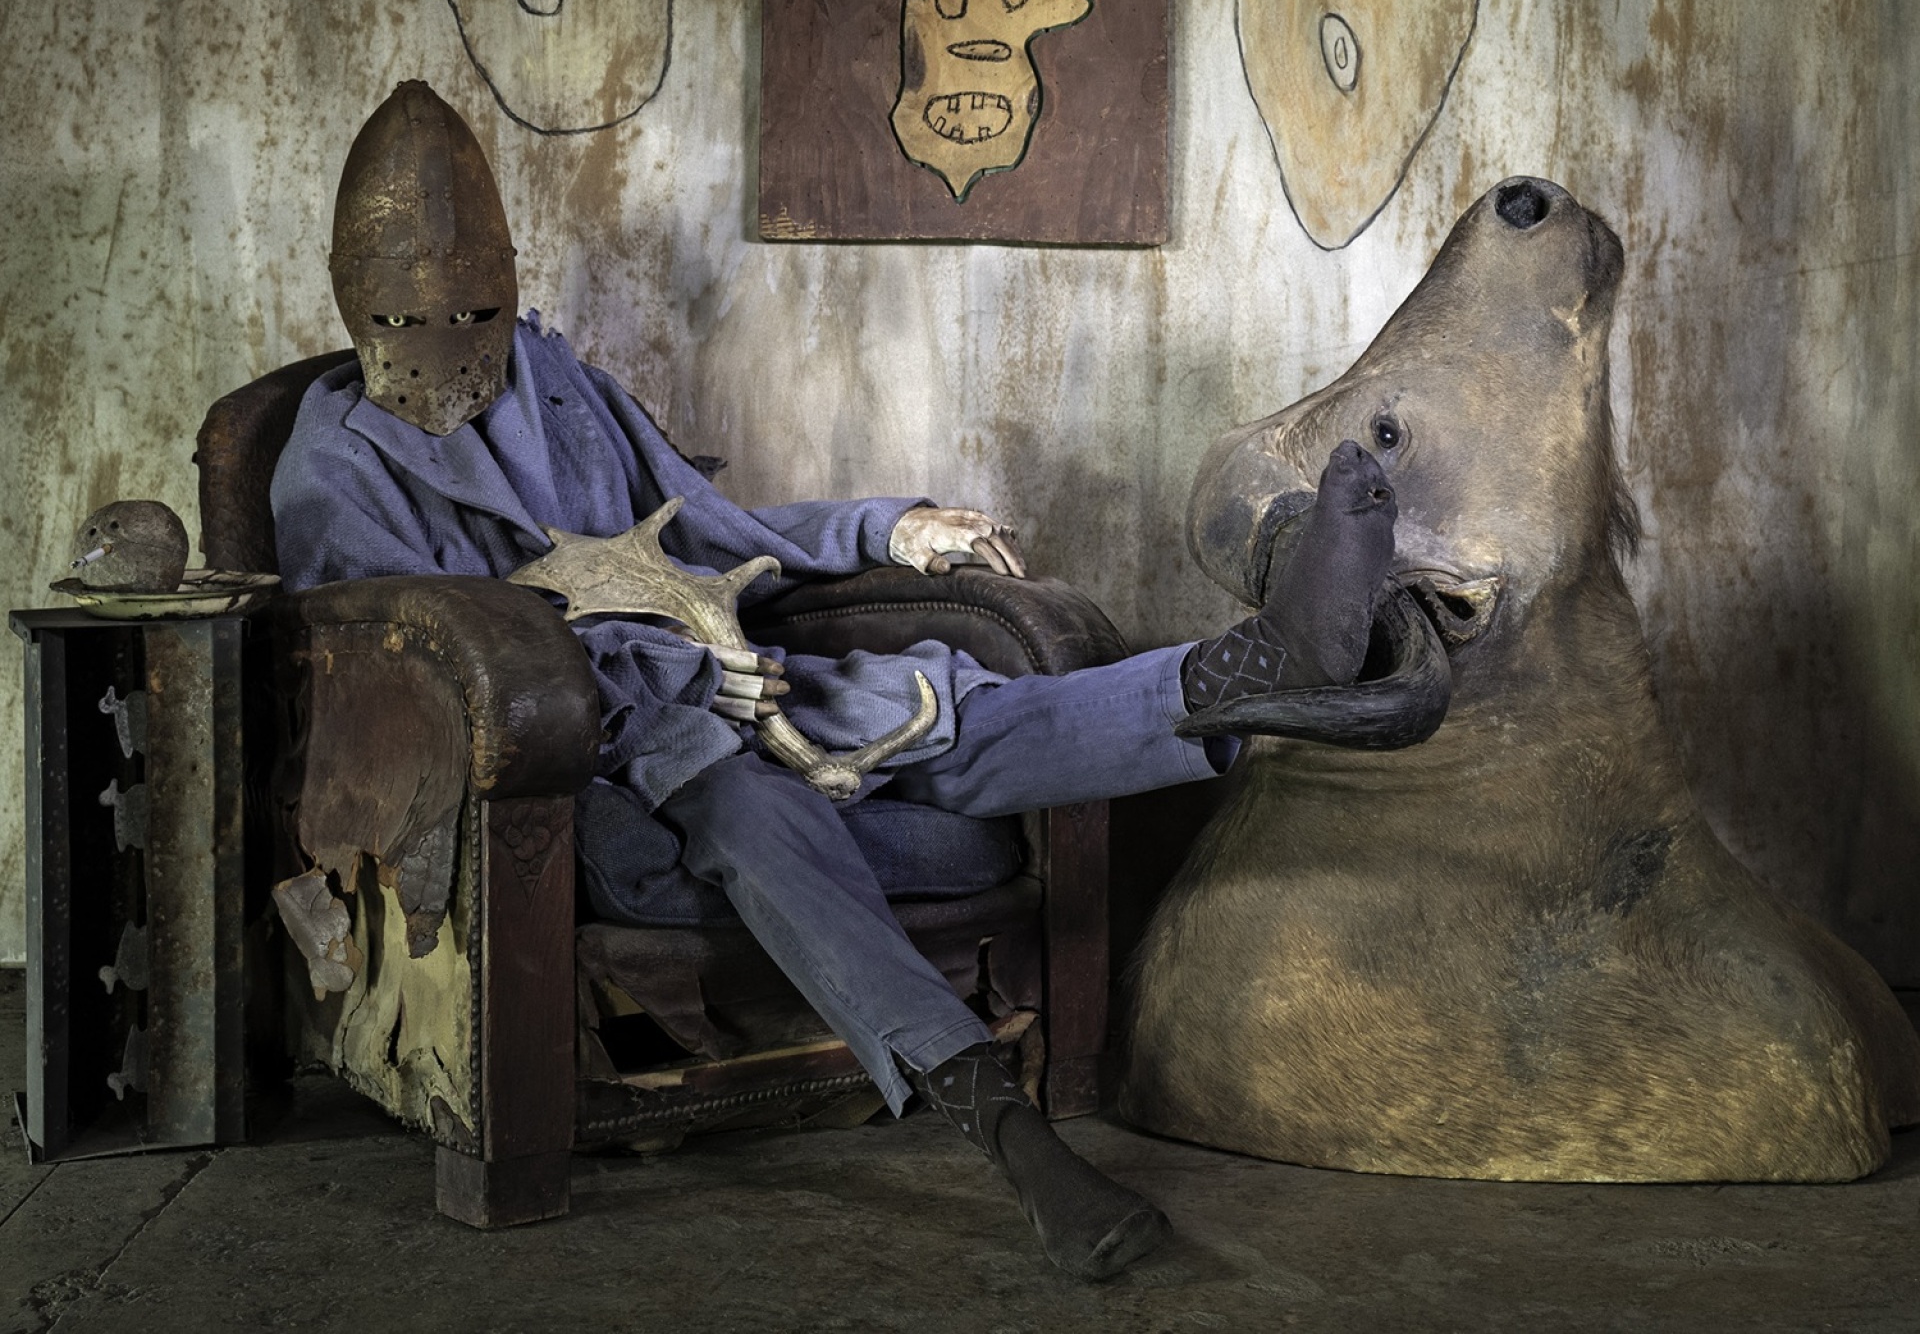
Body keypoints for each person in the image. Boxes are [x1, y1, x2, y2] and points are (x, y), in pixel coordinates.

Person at [273, 82, 1440, 1281]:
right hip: (597, 769)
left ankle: (1263, 667)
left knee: (960, 716)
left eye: (475, 307)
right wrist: (592, 694)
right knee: (762, 808)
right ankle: (1009, 1133)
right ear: (357, 301)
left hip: (732, 681)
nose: (453, 342)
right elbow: (388, 685)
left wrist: (889, 529)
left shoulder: (558, 382)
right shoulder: (330, 469)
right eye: (414, 319)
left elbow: (708, 530)